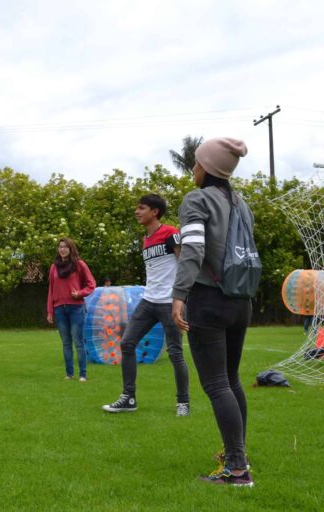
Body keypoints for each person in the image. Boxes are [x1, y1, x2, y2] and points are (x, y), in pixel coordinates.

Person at [171, 137, 254, 487]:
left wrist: (179, 295)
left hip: (209, 300)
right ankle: (236, 452)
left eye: (196, 162)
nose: (193, 168)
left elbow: (192, 249)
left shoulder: (197, 199)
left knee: (217, 383)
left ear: (208, 166)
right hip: (241, 301)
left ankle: (236, 470)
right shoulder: (241, 202)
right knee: (232, 380)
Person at [103, 194, 190, 416]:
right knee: (127, 343)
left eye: (141, 208)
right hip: (148, 301)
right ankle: (128, 398)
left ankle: (183, 403)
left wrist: (181, 300)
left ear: (154, 212)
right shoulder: (146, 239)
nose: (136, 211)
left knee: (175, 354)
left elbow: (186, 265)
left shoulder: (171, 233)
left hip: (170, 303)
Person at [46, 238, 96, 381]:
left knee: (78, 342)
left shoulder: (79, 265)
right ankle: (69, 374)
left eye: (65, 247)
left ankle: (83, 374)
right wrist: (49, 310)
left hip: (76, 308)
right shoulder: (53, 267)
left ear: (71, 249)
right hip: (59, 309)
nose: (62, 249)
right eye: (60, 247)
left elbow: (91, 284)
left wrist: (80, 293)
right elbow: (51, 289)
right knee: (66, 342)